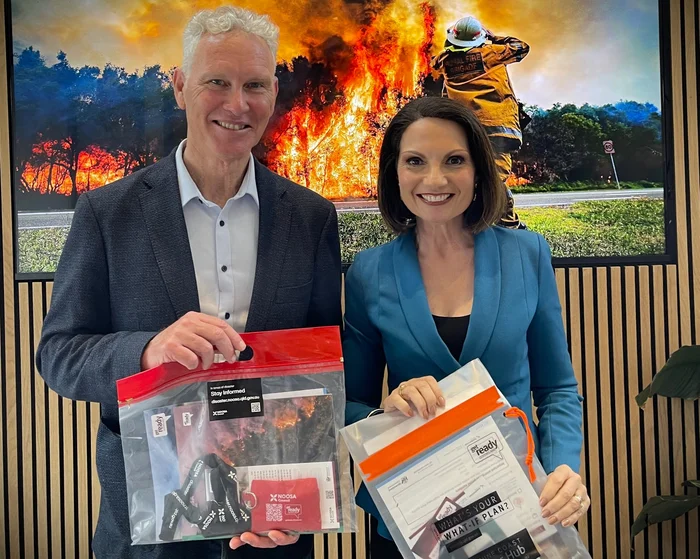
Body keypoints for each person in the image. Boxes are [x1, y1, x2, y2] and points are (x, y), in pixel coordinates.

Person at [36, 6, 341, 559]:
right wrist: (147, 351)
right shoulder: (109, 212)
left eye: (253, 86)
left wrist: (303, 496)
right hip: (150, 526)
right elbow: (58, 354)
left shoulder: (311, 216)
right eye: (216, 83)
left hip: (272, 530)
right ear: (179, 86)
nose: (236, 104)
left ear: (273, 94)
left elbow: (322, 370)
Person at [343, 96, 589, 557]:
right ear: (394, 174)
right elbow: (348, 404)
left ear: (478, 171)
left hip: (519, 503)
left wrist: (562, 469)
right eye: (415, 161)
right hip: (417, 515)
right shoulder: (368, 272)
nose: (434, 180)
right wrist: (386, 411)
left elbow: (557, 387)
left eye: (454, 160)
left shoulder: (527, 254)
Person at [432, 15, 530, 229]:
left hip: (466, 132)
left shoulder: (444, 61)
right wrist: (493, 37)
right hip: (497, 129)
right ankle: (507, 225)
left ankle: (494, 222)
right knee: (494, 178)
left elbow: (435, 61)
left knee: (477, 176)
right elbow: (521, 47)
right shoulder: (490, 54)